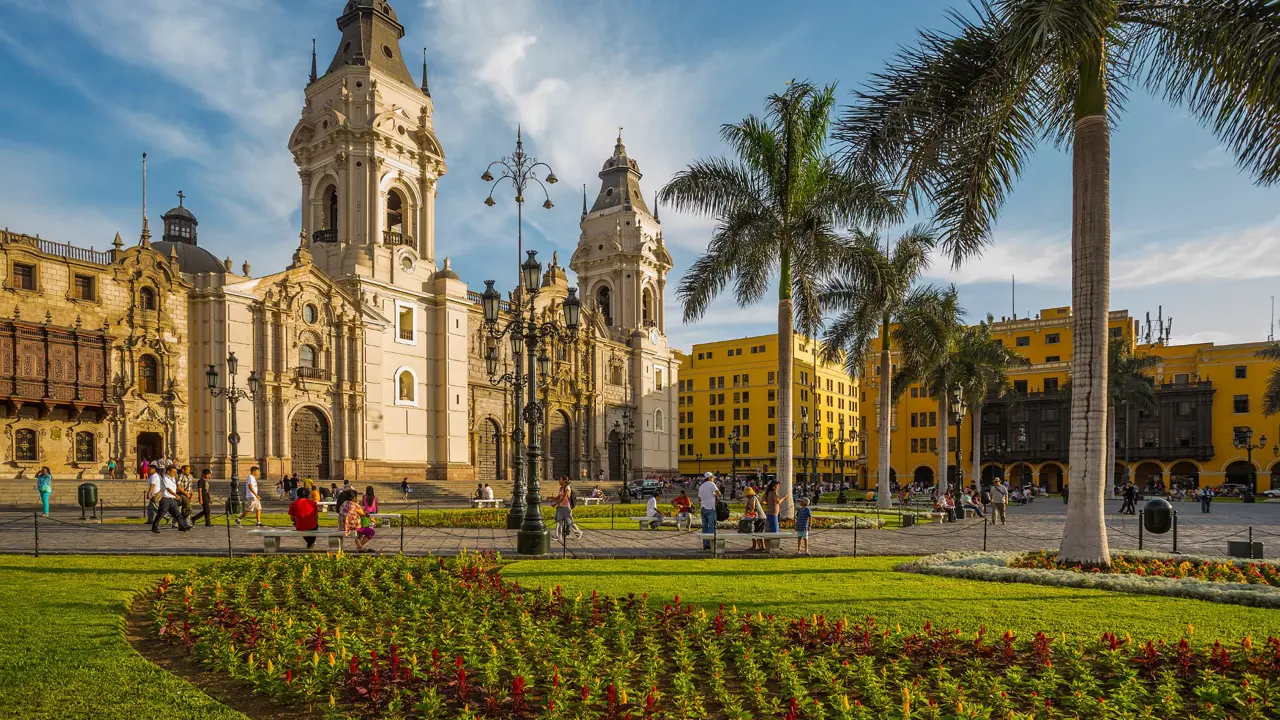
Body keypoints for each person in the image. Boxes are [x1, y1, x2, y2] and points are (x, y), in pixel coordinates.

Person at [151, 466, 191, 533]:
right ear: (168, 471)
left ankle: (184, 526)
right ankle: (154, 527)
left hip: (173, 500)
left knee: (177, 514)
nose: (174, 473)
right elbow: (168, 489)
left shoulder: (173, 478)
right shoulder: (165, 478)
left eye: (175, 472)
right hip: (166, 499)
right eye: (173, 472)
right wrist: (176, 495)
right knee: (161, 514)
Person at [697, 472, 720, 550]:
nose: (713, 479)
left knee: (704, 527)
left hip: (703, 508)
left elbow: (699, 498)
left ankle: (705, 543)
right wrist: (714, 493)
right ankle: (710, 543)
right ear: (710, 478)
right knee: (711, 526)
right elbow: (719, 493)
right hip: (711, 508)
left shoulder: (701, 486)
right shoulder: (711, 484)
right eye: (712, 478)